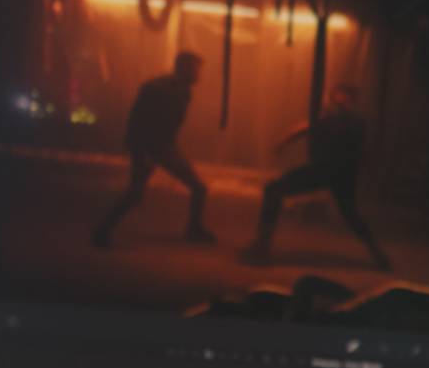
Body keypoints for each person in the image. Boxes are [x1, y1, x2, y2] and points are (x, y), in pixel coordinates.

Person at [241, 82, 391, 270]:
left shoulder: (349, 119)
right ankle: (378, 255)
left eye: (337, 94)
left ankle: (261, 246)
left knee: (274, 190)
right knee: (349, 213)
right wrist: (284, 141)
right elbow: (307, 127)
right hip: (337, 173)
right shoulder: (339, 117)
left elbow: (309, 127)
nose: (331, 97)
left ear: (346, 97)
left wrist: (285, 141)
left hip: (328, 171)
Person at [91, 51, 213, 248]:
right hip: (148, 146)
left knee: (198, 188)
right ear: (184, 69)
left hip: (164, 146)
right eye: (196, 69)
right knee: (135, 193)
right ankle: (102, 230)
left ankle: (194, 229)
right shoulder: (157, 89)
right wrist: (142, 152)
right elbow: (138, 121)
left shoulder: (183, 90)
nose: (199, 75)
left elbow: (169, 125)